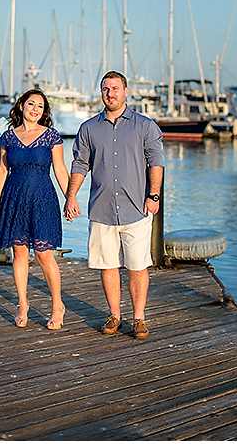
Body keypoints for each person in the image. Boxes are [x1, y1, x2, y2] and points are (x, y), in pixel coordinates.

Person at [64, 71, 164, 340]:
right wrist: (71, 196)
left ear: (126, 91)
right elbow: (80, 165)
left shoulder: (145, 126)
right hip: (101, 209)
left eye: (115, 88)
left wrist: (153, 196)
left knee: (137, 266)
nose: (110, 93)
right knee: (108, 265)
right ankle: (114, 315)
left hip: (137, 210)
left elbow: (156, 162)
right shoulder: (88, 129)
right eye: (105, 89)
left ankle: (139, 318)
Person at [0, 89, 71, 329]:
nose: (35, 109)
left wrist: (71, 198)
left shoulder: (51, 136)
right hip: (13, 198)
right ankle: (23, 304)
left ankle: (58, 305)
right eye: (31, 104)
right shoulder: (8, 137)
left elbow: (59, 169)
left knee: (44, 254)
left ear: (44, 111)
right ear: (22, 106)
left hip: (42, 198)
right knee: (19, 253)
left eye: (40, 106)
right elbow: (3, 170)